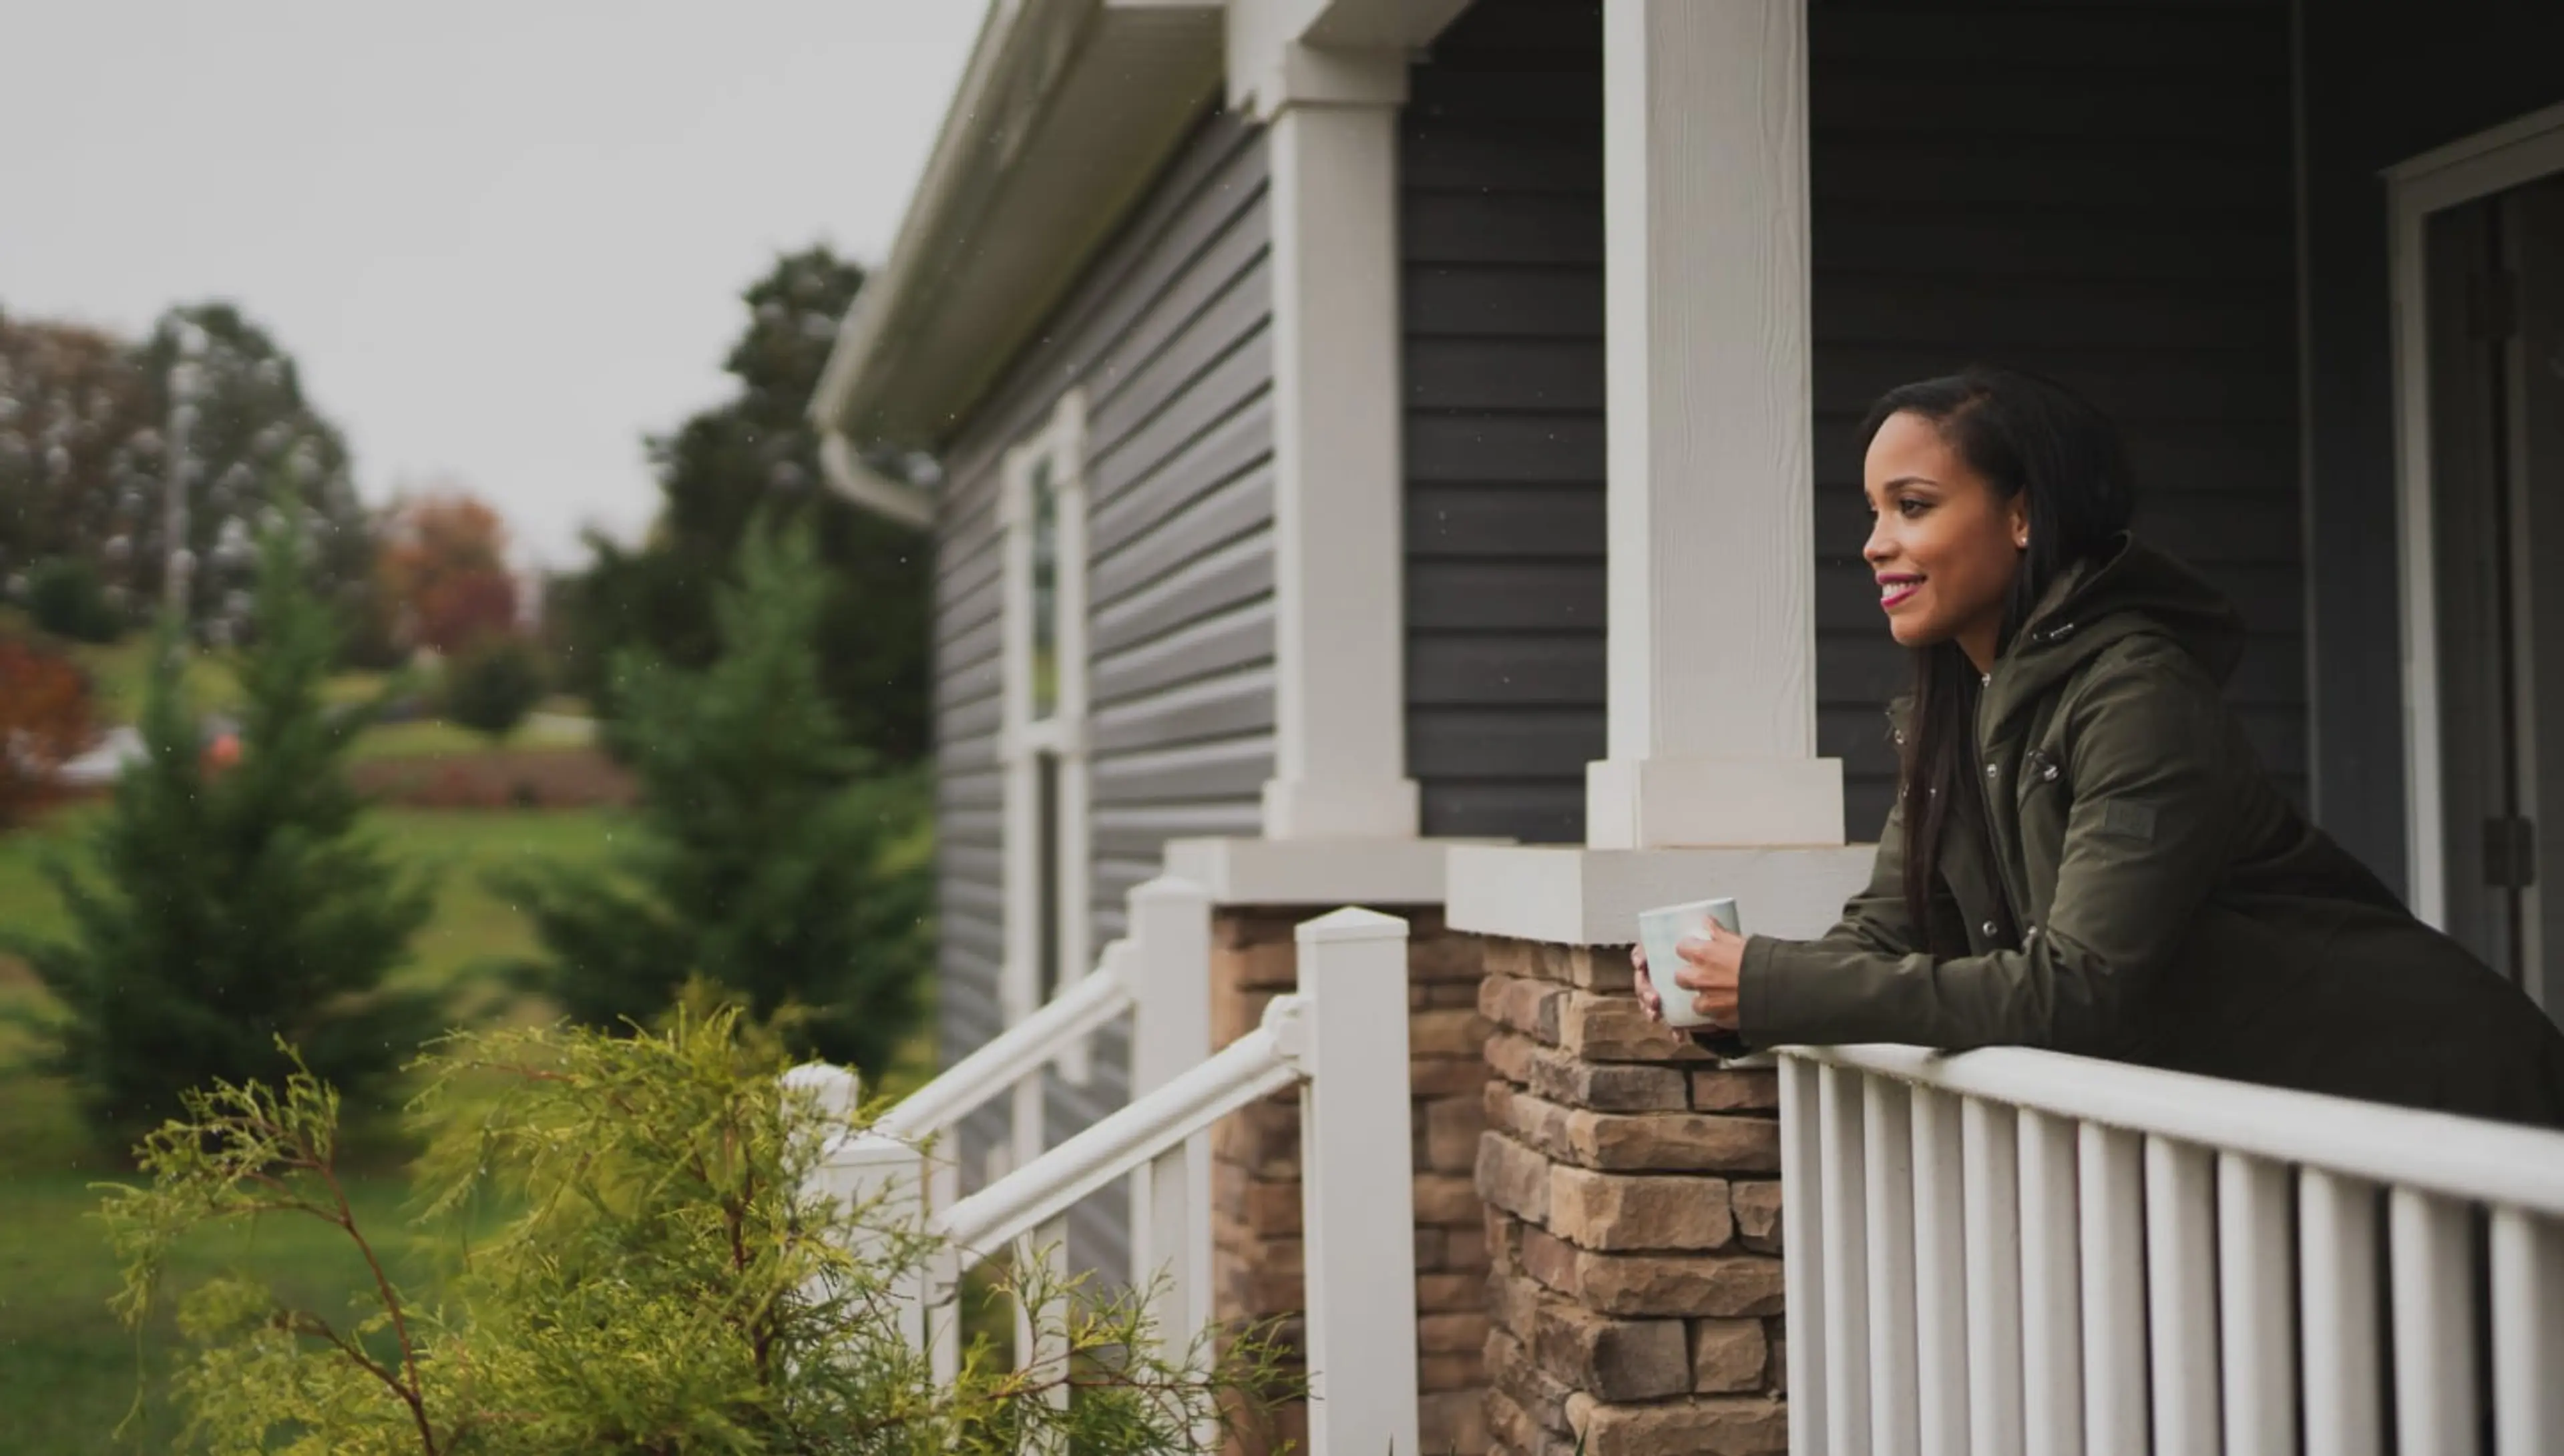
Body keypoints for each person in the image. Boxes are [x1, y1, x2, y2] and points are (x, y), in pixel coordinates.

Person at [1633, 367, 2564, 1127]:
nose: (1877, 544)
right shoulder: (1957, 717)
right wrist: (1724, 994)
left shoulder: (2138, 694)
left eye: (1911, 506)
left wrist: (1770, 983)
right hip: (2297, 1137)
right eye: (1873, 512)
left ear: (2024, 517)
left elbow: (2079, 991)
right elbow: (1888, 934)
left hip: (2437, 1106)